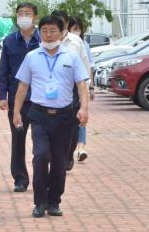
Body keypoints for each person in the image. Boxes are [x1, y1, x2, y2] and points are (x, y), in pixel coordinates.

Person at [12, 15, 90, 218]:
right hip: (39, 114)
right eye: (44, 31)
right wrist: (16, 111)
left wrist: (84, 108)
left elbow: (81, 84)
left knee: (59, 161)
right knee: (41, 156)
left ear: (62, 33)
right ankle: (40, 202)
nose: (48, 35)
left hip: (64, 116)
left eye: (53, 31)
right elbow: (23, 86)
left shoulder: (71, 56)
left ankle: (54, 201)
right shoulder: (32, 57)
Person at [0, 2, 40, 192]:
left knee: (41, 141)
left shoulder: (42, 40)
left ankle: (41, 178)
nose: (23, 17)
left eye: (27, 13)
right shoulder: (9, 41)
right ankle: (20, 179)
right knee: (18, 139)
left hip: (40, 99)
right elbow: (3, 71)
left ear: (35, 17)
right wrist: (2, 96)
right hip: (17, 100)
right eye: (20, 13)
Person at [51, 9, 91, 172]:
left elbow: (85, 64)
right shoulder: (47, 40)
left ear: (67, 23)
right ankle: (56, 155)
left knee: (73, 126)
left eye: (61, 22)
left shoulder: (76, 42)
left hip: (74, 88)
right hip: (52, 89)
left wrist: (86, 91)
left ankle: (68, 154)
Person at [68, 16, 95, 162]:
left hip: (81, 87)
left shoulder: (83, 45)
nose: (76, 31)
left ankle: (81, 147)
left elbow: (89, 66)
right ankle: (71, 149)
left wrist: (90, 87)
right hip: (67, 88)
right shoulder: (61, 43)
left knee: (81, 116)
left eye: (78, 29)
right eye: (74, 28)